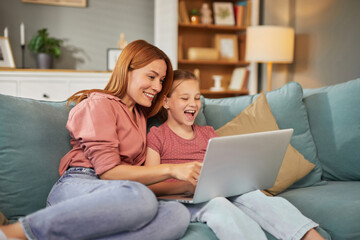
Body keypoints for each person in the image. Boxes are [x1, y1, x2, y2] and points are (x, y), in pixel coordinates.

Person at [0, 40, 202, 240]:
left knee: (177, 215)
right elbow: (108, 172)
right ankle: (14, 233)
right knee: (140, 196)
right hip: (81, 186)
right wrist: (173, 169)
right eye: (151, 76)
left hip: (117, 194)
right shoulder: (99, 104)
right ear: (126, 71)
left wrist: (188, 186)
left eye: (161, 80)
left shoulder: (139, 115)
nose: (158, 87)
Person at [145, 69, 326, 240]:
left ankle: (309, 236)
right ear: (166, 102)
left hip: (217, 190)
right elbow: (150, 185)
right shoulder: (157, 135)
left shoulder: (207, 132)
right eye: (185, 98)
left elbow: (225, 166)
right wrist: (186, 187)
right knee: (219, 206)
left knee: (256, 197)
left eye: (197, 98)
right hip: (183, 200)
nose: (193, 103)